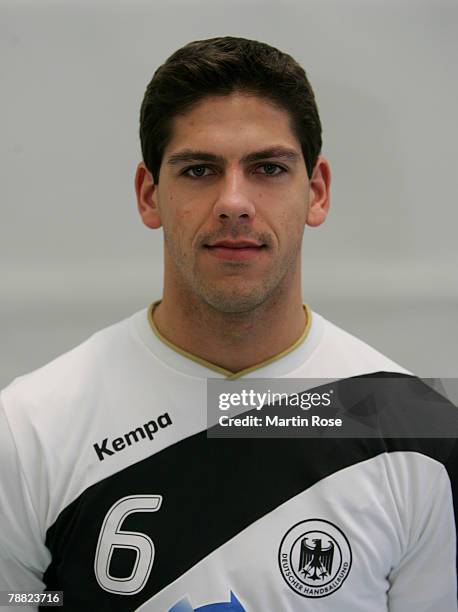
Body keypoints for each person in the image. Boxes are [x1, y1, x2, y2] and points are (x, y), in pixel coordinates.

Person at [0, 36, 457, 612]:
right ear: (149, 195)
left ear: (316, 193)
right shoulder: (27, 427)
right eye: (199, 169)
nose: (234, 202)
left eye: (268, 168)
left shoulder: (419, 435)